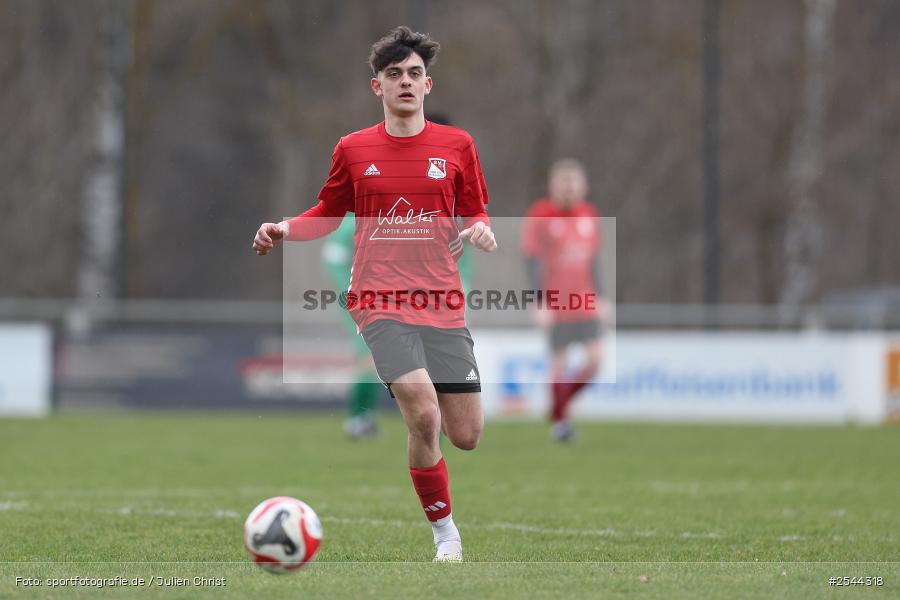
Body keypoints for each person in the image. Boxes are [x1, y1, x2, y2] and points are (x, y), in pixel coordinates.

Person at [252, 26, 497, 562]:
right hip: (378, 300)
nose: (404, 83)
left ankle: (439, 504)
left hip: (441, 302)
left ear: (427, 85)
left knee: (467, 434)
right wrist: (284, 228)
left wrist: (481, 227)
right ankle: (445, 536)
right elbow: (327, 213)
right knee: (422, 411)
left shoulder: (457, 147)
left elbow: (475, 207)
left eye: (413, 74)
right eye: (394, 75)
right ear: (376, 87)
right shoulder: (354, 148)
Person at [522, 159, 603, 442]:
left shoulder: (589, 215)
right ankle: (561, 424)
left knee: (596, 360)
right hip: (557, 302)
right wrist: (538, 301)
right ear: (553, 186)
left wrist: (601, 297)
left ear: (584, 186)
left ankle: (558, 406)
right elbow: (532, 261)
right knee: (559, 363)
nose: (569, 189)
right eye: (563, 183)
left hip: (585, 301)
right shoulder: (541, 214)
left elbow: (594, 261)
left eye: (573, 183)